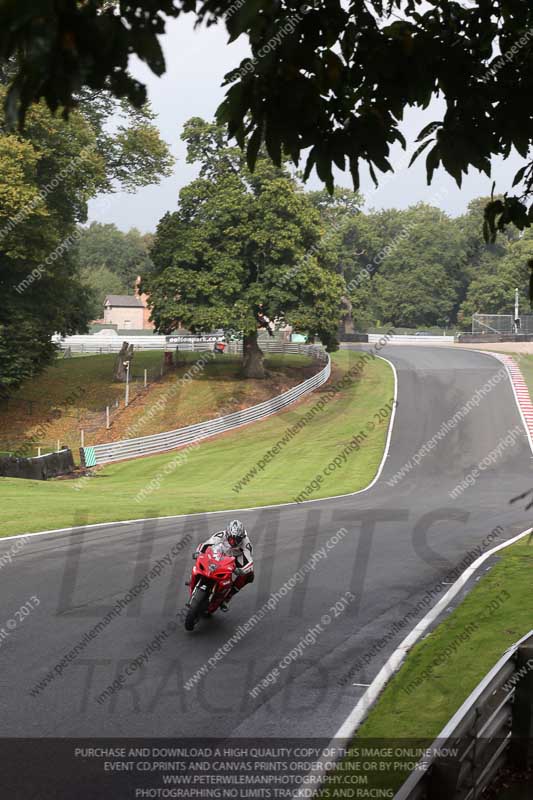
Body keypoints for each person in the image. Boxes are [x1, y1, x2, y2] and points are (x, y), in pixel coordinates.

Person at [194, 520, 254, 609]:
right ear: (227, 534)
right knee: (203, 558)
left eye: (237, 539)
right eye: (231, 539)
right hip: (221, 552)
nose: (233, 542)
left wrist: (242, 570)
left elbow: (249, 562)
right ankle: (196, 578)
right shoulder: (221, 534)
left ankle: (227, 597)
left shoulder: (246, 544)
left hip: (236, 557)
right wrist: (198, 552)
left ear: (242, 537)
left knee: (249, 576)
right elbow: (207, 544)